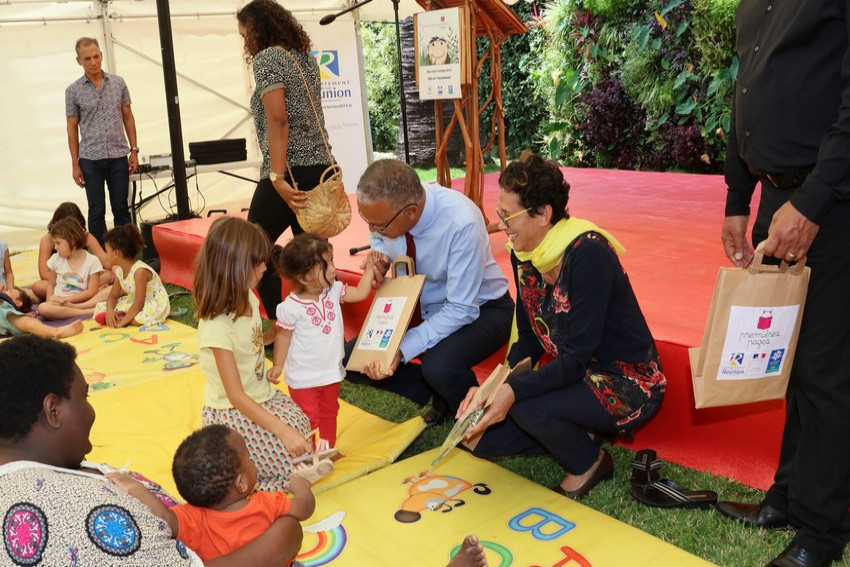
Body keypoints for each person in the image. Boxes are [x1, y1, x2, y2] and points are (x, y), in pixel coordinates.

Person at [715, 4, 850, 566]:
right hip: (776, 198)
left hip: (830, 203)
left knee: (824, 370)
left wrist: (814, 201)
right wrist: (735, 197)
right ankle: (789, 498)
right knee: (788, 361)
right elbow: (744, 87)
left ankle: (823, 530)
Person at [460, 152, 666, 500]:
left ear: (543, 214)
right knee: (484, 441)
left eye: (508, 217)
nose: (502, 227)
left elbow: (575, 359)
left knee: (523, 404)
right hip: (578, 373)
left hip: (624, 380)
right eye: (499, 216)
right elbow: (528, 338)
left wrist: (514, 391)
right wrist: (493, 387)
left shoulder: (588, 253)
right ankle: (579, 429)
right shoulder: (523, 252)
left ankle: (590, 461)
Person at [0, 334, 303, 566]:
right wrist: (283, 538)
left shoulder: (31, 474)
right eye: (85, 397)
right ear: (53, 411)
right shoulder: (76, 511)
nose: (91, 411)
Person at [345, 159, 514, 427]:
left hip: (485, 309)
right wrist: (382, 258)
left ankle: (477, 411)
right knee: (352, 360)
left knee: (437, 365)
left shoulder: (462, 223)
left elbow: (462, 309)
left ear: (411, 212)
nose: (373, 230)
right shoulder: (394, 208)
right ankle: (438, 392)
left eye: (378, 225)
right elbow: (380, 240)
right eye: (368, 221)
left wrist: (400, 349)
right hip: (420, 303)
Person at [193, 216, 333, 492]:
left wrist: (272, 371)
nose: (263, 267)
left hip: (260, 395)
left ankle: (288, 470)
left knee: (299, 422)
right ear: (233, 267)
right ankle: (273, 482)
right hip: (231, 410)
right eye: (256, 263)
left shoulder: (248, 297)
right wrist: (281, 431)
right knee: (282, 443)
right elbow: (236, 395)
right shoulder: (217, 325)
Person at [236, 0, 337, 333]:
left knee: (251, 249)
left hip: (289, 170)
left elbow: (279, 121)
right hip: (318, 167)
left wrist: (277, 178)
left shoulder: (267, 59)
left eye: (245, 33)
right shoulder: (304, 59)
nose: (245, 41)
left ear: (256, 29)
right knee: (313, 256)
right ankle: (321, 321)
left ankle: (279, 323)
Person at [107, 424, 315, 563]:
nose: (253, 462)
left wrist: (135, 488)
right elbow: (304, 507)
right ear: (241, 483)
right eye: (250, 459)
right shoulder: (267, 502)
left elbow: (164, 517)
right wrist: (300, 486)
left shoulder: (191, 519)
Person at [268, 234, 379, 450]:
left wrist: (369, 270)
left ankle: (327, 451)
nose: (333, 268)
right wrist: (278, 365)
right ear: (304, 277)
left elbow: (361, 293)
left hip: (330, 372)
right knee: (308, 418)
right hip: (304, 377)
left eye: (332, 261)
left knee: (330, 412)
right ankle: (306, 453)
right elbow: (283, 337)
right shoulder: (291, 307)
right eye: (325, 264)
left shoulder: (333, 291)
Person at [65, 37, 138, 245]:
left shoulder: (118, 83)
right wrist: (75, 163)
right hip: (90, 159)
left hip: (118, 155)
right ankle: (99, 258)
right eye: (87, 58)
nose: (93, 62)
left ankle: (127, 253)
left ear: (101, 56)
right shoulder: (73, 91)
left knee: (121, 208)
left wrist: (134, 150)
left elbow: (128, 116)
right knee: (96, 211)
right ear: (78, 61)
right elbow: (71, 128)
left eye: (96, 56)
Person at [32, 201, 112, 301]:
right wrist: (68, 281)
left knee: (109, 275)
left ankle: (84, 293)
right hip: (62, 281)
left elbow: (106, 261)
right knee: (38, 286)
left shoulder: (85, 236)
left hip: (84, 279)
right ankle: (89, 293)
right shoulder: (48, 240)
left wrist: (118, 265)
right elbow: (44, 273)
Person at [93, 224, 170, 328]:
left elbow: (139, 302)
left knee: (138, 319)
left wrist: (123, 322)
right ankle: (119, 315)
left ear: (116, 253)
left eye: (107, 251)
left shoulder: (139, 271)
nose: (105, 255)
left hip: (151, 303)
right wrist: (110, 310)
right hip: (135, 301)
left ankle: (123, 317)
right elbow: (113, 296)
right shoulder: (120, 271)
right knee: (101, 307)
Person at [37, 217, 110, 320]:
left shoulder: (92, 261)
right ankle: (88, 312)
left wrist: (67, 300)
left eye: (58, 243)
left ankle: (78, 309)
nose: (55, 248)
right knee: (43, 308)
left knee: (113, 289)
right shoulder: (55, 259)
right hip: (59, 304)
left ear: (72, 241)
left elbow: (91, 291)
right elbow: (51, 285)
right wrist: (50, 301)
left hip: (82, 302)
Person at [0, 286, 83, 338]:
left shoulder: (7, 309)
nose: (6, 289)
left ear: (18, 303)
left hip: (5, 314)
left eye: (10, 291)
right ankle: (54, 331)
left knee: (25, 321)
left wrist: (24, 316)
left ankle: (56, 331)